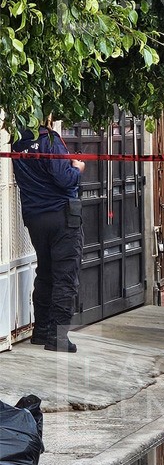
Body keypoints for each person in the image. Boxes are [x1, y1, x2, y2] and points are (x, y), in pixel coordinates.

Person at [12, 119, 85, 353]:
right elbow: (65, 179)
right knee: (65, 277)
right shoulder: (50, 141)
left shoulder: (16, 143)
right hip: (62, 216)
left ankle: (41, 330)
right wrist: (77, 168)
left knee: (45, 273)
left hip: (35, 217)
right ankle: (58, 337)